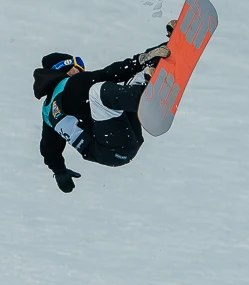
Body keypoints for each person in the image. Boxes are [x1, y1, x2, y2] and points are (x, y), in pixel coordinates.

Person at [33, 23, 176, 194]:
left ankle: (153, 73)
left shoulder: (48, 112)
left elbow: (49, 149)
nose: (82, 71)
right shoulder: (71, 84)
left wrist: (60, 172)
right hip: (112, 144)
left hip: (116, 149)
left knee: (123, 86)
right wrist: (140, 59)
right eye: (77, 67)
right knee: (99, 91)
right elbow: (109, 73)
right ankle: (146, 92)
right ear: (64, 69)